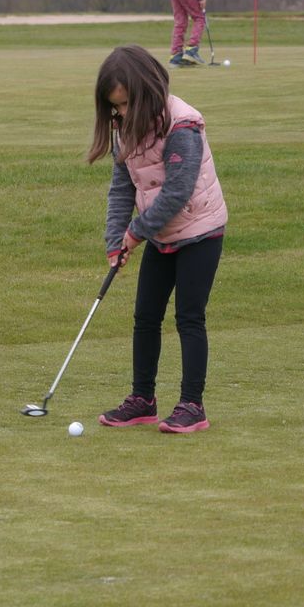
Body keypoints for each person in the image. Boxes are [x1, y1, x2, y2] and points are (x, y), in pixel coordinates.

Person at [88, 45, 227, 433]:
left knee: (189, 317)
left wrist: (135, 233)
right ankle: (142, 400)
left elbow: (178, 192)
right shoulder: (125, 127)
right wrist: (116, 238)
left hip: (201, 231)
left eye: (127, 104)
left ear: (148, 90)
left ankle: (192, 405)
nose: (122, 113)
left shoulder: (183, 125)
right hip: (161, 233)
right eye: (115, 107)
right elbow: (122, 187)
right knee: (146, 316)